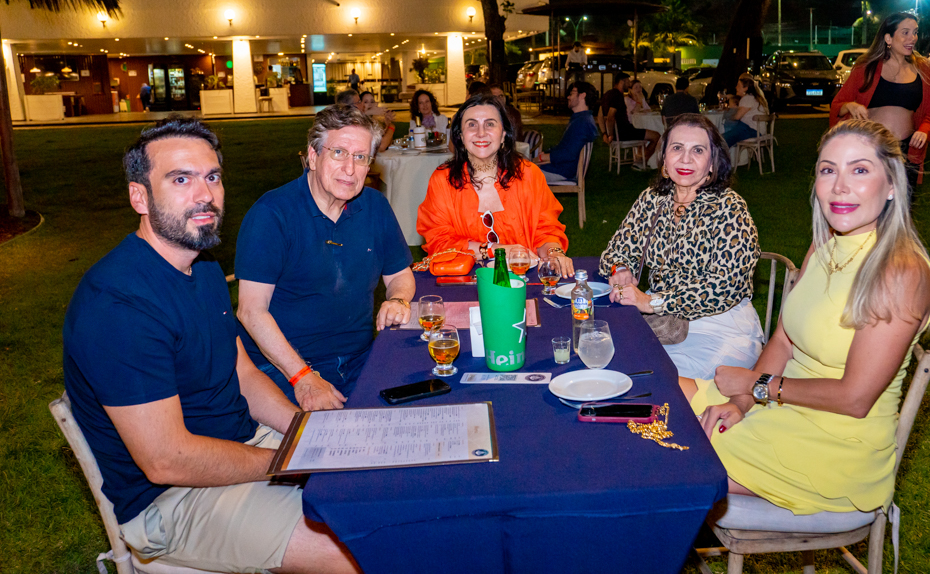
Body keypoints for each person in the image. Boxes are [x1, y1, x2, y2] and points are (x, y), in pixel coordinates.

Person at [62, 117, 359, 573]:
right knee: (363, 549)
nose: (205, 195)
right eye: (181, 179)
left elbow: (244, 374)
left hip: (240, 445)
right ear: (139, 196)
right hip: (172, 500)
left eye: (212, 177)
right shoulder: (118, 305)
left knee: (379, 486)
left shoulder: (202, 268)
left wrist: (306, 435)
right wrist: (288, 461)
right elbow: (166, 461)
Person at [681, 119, 930, 516]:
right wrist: (742, 401)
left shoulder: (900, 272)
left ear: (892, 184)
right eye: (828, 170)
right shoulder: (824, 245)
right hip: (777, 405)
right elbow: (784, 340)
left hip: (833, 446)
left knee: (664, 457)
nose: (839, 186)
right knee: (659, 394)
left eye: (859, 170)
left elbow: (855, 398)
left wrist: (756, 384)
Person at [236, 105, 415, 410]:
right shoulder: (272, 215)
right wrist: (303, 377)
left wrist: (398, 299)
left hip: (360, 359)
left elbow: (399, 274)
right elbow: (251, 311)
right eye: (339, 153)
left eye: (361, 157)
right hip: (284, 365)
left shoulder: (375, 206)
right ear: (313, 156)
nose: (350, 169)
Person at [601, 113, 764, 379]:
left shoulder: (729, 207)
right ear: (664, 158)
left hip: (719, 325)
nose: (685, 159)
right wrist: (621, 268)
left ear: (712, 162)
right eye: (677, 148)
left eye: (698, 150)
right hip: (662, 322)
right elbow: (617, 249)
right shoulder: (653, 199)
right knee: (615, 364)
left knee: (653, 377)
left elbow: (724, 287)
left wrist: (652, 301)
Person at [416, 93, 574, 277]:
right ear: (460, 136)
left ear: (503, 134)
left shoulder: (529, 175)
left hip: (524, 277)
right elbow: (439, 241)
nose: (481, 133)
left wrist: (554, 253)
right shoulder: (443, 180)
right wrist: (495, 249)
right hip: (465, 280)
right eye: (472, 124)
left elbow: (546, 230)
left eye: (490, 124)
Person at [830, 11, 930, 194]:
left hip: (907, 151)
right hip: (871, 149)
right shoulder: (866, 66)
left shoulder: (923, 68)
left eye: (915, 32)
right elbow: (837, 105)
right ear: (888, 38)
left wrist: (924, 131)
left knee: (903, 206)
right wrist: (850, 106)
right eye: (905, 32)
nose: (912, 38)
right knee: (871, 204)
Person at [539, 81, 598, 184]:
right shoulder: (582, 119)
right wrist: (548, 154)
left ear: (582, 96)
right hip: (559, 168)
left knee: (520, 175)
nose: (568, 97)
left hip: (561, 171)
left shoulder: (582, 123)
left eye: (572, 93)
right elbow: (566, 148)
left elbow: (568, 154)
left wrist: (544, 157)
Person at [602, 72, 658, 162]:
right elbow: (610, 116)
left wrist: (605, 133)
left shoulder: (607, 94)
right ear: (622, 82)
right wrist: (611, 134)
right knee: (656, 136)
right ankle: (641, 161)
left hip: (622, 131)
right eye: (628, 82)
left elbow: (600, 116)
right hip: (624, 132)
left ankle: (640, 159)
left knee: (645, 133)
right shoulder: (618, 96)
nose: (628, 85)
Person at [722, 73, 769, 147]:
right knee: (727, 137)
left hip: (751, 130)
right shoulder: (754, 97)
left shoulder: (747, 98)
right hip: (759, 130)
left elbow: (737, 117)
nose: (736, 87)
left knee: (722, 139)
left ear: (745, 88)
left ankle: (719, 152)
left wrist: (727, 115)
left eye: (738, 85)